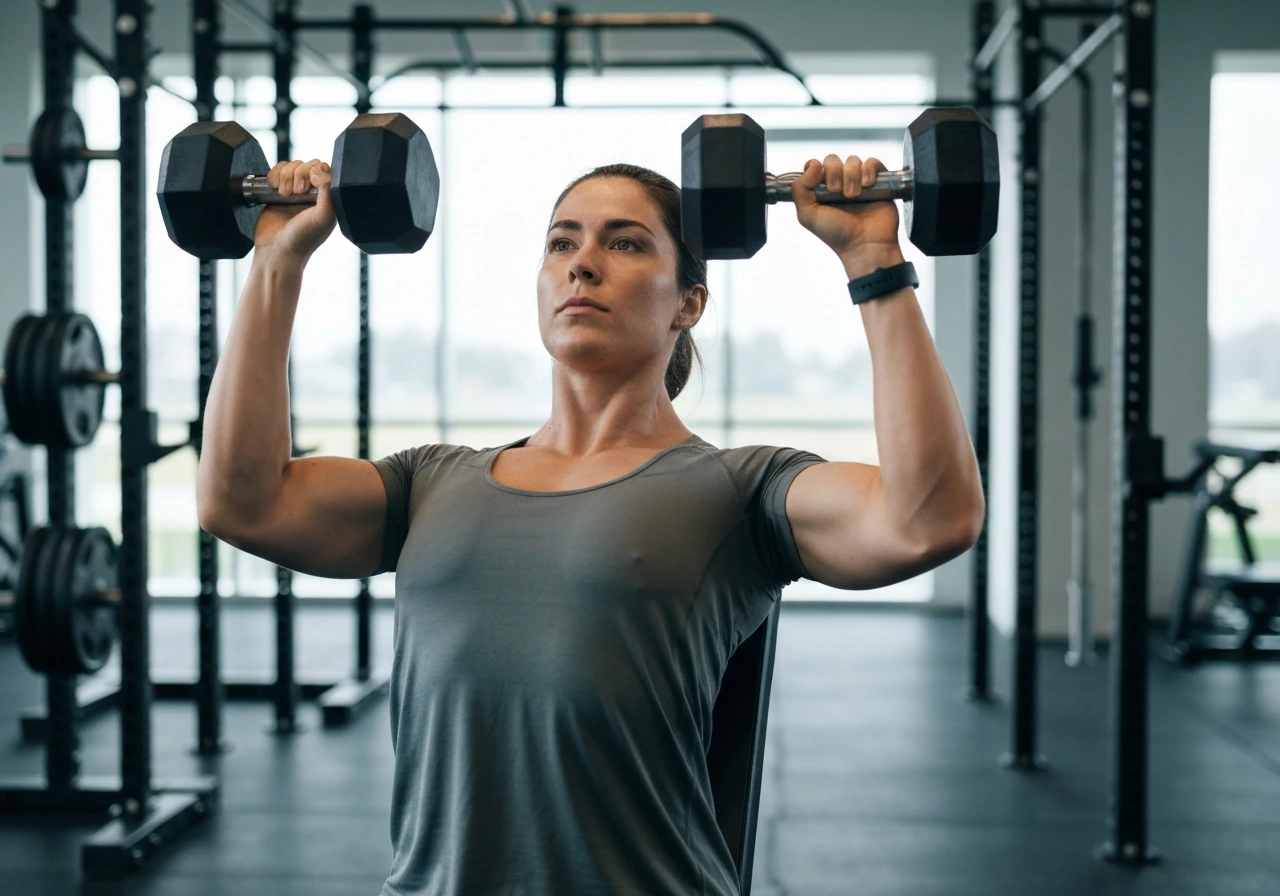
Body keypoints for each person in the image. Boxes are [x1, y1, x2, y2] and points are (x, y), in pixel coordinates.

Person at [196, 142, 984, 895]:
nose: (582, 262)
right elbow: (242, 499)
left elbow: (928, 519)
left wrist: (875, 264)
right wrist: (276, 261)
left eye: (628, 244)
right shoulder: (432, 482)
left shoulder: (738, 490)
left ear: (689, 302)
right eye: (560, 242)